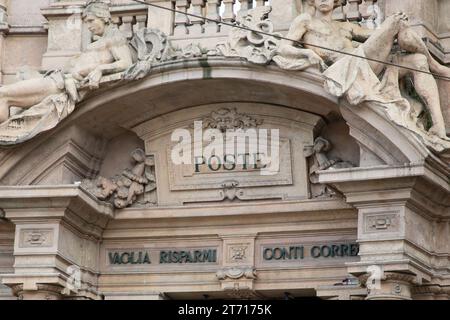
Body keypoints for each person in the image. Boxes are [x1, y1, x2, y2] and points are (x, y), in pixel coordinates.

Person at [275, 0, 450, 139]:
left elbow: (377, 36)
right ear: (311, 1)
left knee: (418, 60)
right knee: (395, 21)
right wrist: (306, 53)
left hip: (364, 64)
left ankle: (439, 126)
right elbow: (282, 47)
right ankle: (437, 66)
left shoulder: (345, 26)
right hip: (345, 69)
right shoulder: (305, 20)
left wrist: (397, 27)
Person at [0, 0, 133, 124]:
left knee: (3, 95)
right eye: (87, 22)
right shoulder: (102, 40)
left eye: (91, 21)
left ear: (104, 17)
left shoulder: (115, 38)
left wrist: (100, 70)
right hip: (58, 78)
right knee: (13, 97)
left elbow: (126, 63)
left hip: (60, 84)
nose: (89, 26)